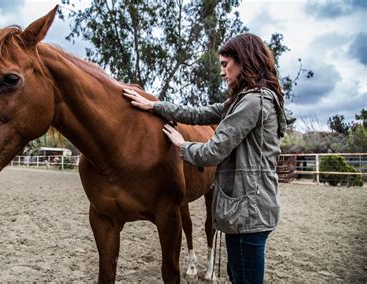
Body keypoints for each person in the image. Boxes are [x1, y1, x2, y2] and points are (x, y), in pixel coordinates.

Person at [122, 33, 286, 283]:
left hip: (249, 213)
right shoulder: (244, 100)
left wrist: (181, 144)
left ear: (244, 61)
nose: (222, 72)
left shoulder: (253, 102)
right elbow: (198, 113)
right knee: (238, 274)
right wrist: (154, 106)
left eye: (224, 64)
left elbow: (213, 152)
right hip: (249, 211)